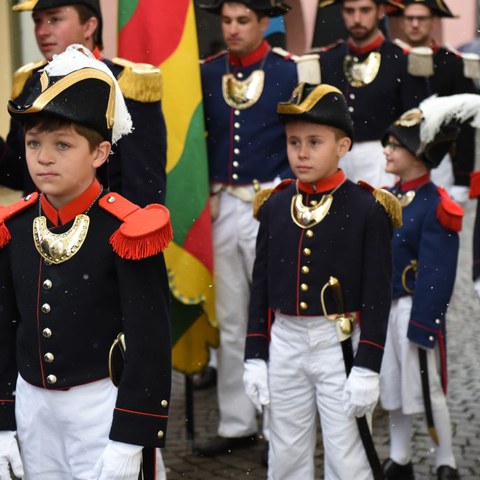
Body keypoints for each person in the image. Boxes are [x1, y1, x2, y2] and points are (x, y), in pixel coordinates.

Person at [0, 44, 172, 480]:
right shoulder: (14, 227)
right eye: (33, 142)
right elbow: (3, 330)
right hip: (33, 408)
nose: (43, 157)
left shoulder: (128, 229)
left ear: (98, 154)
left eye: (62, 144)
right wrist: (3, 420)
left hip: (103, 405)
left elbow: (149, 341)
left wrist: (132, 435)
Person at [243, 82, 401, 479]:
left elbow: (378, 296)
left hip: (339, 343)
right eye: (294, 142)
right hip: (286, 341)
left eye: (315, 142)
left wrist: (368, 365)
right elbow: (259, 288)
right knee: (285, 451)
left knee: (346, 455)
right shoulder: (276, 205)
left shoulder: (368, 208)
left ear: (343, 145)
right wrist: (255, 356)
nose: (302, 152)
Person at [195, 0, 299, 457]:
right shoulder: (206, 72)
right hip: (221, 208)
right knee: (232, 318)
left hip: (270, 207)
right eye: (227, 21)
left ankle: (280, 424)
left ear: (263, 23)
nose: (233, 29)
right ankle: (236, 421)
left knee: (274, 317)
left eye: (243, 21)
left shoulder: (289, 73)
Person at [378, 93, 480, 479]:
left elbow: (438, 272)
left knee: (428, 388)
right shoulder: (385, 197)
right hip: (386, 308)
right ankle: (400, 457)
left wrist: (424, 323)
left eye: (395, 145)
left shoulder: (436, 204)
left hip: (414, 309)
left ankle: (446, 459)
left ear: (418, 154)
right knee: (394, 389)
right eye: (388, 143)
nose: (387, 149)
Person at [0, 0, 167, 207]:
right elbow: (16, 174)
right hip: (38, 229)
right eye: (37, 21)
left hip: (103, 232)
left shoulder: (125, 83)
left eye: (55, 19)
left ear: (89, 26)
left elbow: (144, 187)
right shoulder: (31, 82)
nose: (41, 31)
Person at [317, 0, 429, 187]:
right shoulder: (327, 60)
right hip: (335, 158)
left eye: (365, 10)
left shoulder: (402, 60)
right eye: (350, 11)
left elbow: (416, 123)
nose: (357, 19)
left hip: (384, 160)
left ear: (381, 11)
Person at [389, 0, 478, 204]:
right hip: (391, 159)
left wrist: (462, 178)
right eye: (409, 18)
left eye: (421, 18)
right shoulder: (390, 60)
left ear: (434, 21)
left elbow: (466, 125)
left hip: (438, 161)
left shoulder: (453, 64)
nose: (414, 24)